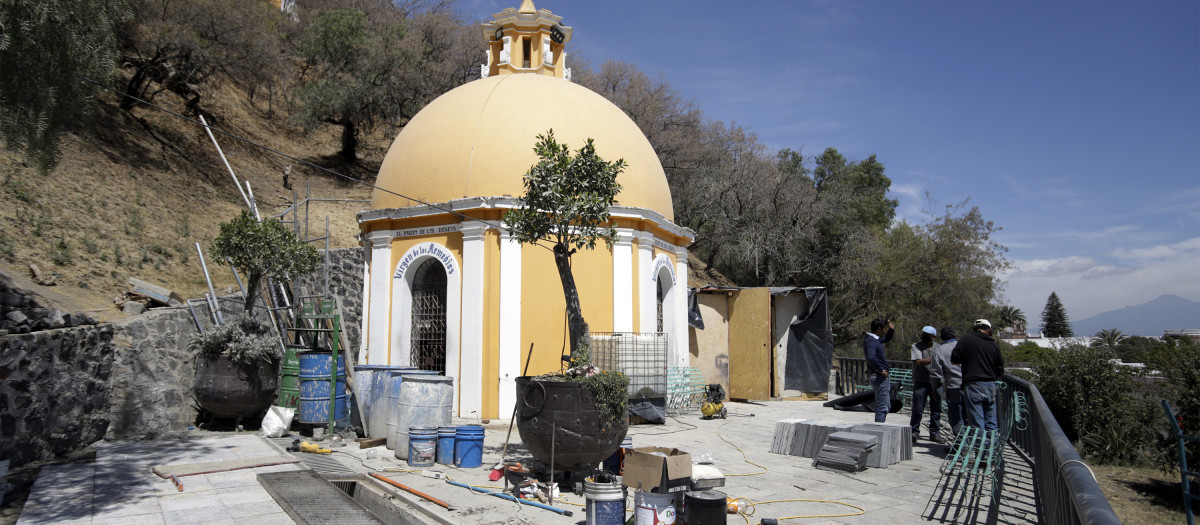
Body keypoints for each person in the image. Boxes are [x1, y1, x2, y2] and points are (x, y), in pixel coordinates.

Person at [951, 319, 1005, 431]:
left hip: (973, 384)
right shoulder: (993, 343)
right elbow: (1000, 367)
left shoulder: (966, 339)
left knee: (977, 423)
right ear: (988, 330)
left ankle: (980, 448)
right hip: (991, 385)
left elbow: (954, 359)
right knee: (991, 421)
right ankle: (992, 447)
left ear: (975, 328)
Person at [909, 326, 943, 444]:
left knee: (936, 409)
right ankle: (914, 431)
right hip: (921, 381)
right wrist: (936, 359)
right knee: (918, 408)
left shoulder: (939, 347)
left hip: (936, 382)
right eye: (923, 334)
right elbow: (919, 362)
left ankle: (934, 433)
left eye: (927, 335)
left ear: (933, 337)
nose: (924, 336)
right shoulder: (916, 346)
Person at [929, 326, 963, 438]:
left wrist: (935, 389)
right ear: (954, 335)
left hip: (953, 386)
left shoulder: (939, 350)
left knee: (956, 416)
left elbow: (936, 374)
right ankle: (972, 443)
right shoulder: (964, 346)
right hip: (969, 385)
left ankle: (961, 444)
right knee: (969, 416)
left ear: (942, 337)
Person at [863, 318, 894, 423]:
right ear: (879, 329)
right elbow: (871, 357)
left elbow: (887, 338)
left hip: (881, 377)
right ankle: (879, 430)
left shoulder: (875, 339)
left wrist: (891, 330)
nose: (885, 331)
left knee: (886, 406)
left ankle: (881, 426)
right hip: (879, 376)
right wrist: (881, 370)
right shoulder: (871, 341)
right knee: (882, 408)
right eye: (885, 329)